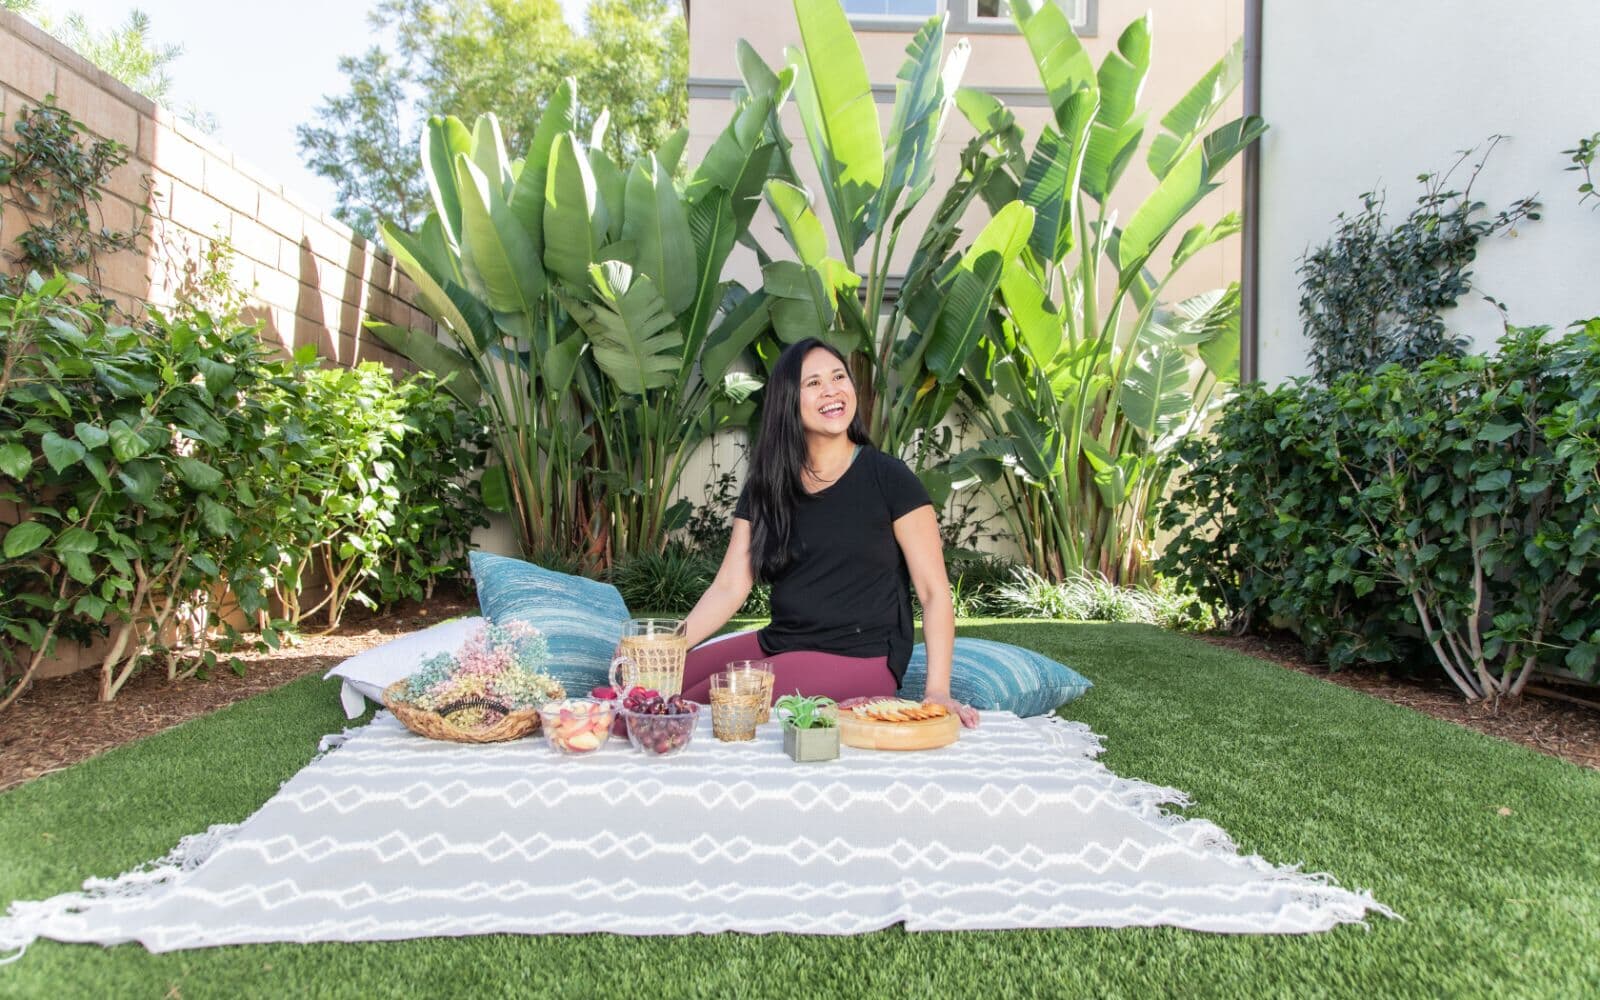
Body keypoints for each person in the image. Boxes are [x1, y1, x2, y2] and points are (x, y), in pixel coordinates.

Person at [675, 338, 978, 728]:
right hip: (782, 641)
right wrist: (665, 647)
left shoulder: (889, 478)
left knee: (705, 704)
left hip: (860, 656)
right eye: (813, 383)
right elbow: (731, 585)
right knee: (651, 684)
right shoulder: (768, 484)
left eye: (839, 377)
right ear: (789, 401)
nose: (832, 390)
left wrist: (937, 689)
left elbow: (934, 592)